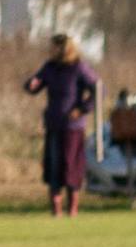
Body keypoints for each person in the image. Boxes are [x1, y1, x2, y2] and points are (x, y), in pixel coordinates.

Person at [24, 34, 99, 218]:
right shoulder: (50, 67)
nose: (51, 50)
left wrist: (82, 109)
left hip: (73, 127)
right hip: (53, 124)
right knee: (53, 164)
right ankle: (55, 210)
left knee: (70, 165)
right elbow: (34, 84)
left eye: (54, 47)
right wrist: (31, 85)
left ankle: (72, 209)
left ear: (64, 48)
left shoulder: (78, 67)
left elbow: (99, 89)